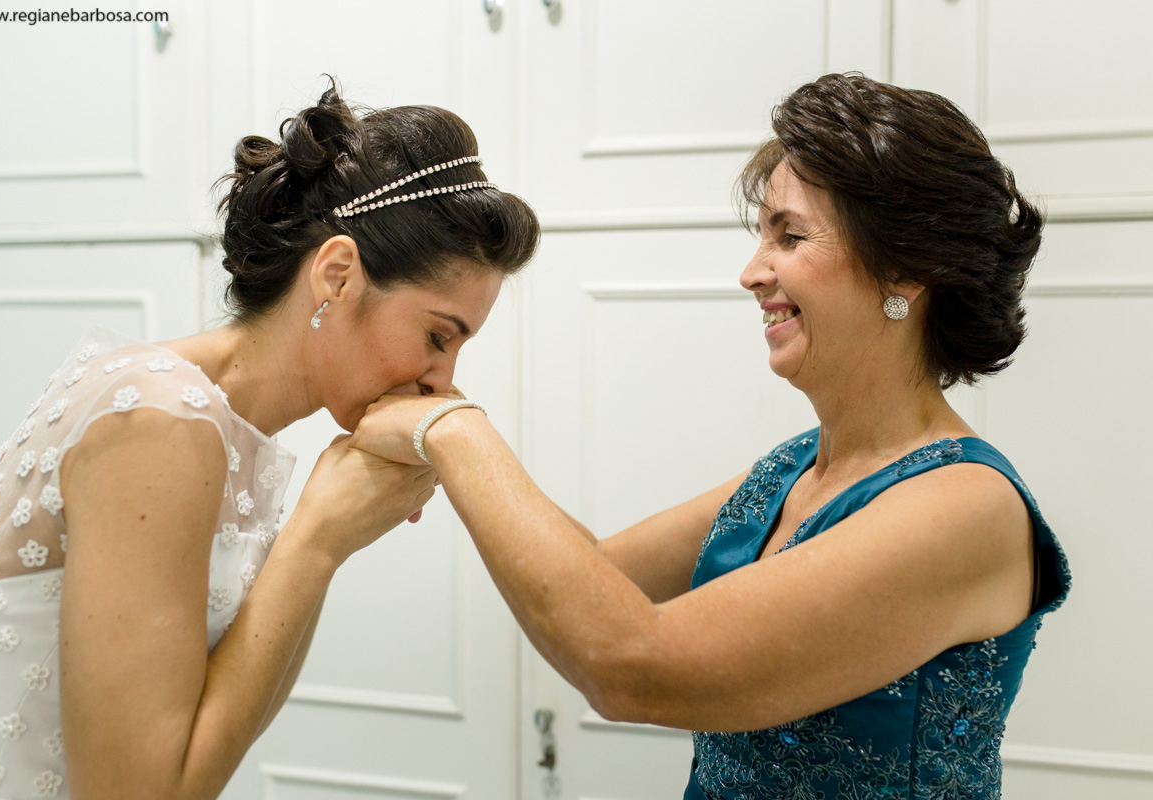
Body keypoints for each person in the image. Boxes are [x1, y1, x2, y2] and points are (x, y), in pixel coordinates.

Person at [351, 73, 1071, 800]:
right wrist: (434, 441)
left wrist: (453, 434)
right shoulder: (792, 470)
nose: (751, 273)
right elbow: (592, 577)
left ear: (906, 268)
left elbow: (629, 664)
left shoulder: (966, 508)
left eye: (788, 235)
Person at [0, 81, 539, 799]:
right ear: (336, 273)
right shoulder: (164, 421)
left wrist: (328, 539)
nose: (443, 380)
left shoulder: (216, 424)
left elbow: (213, 727)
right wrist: (318, 539)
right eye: (437, 336)